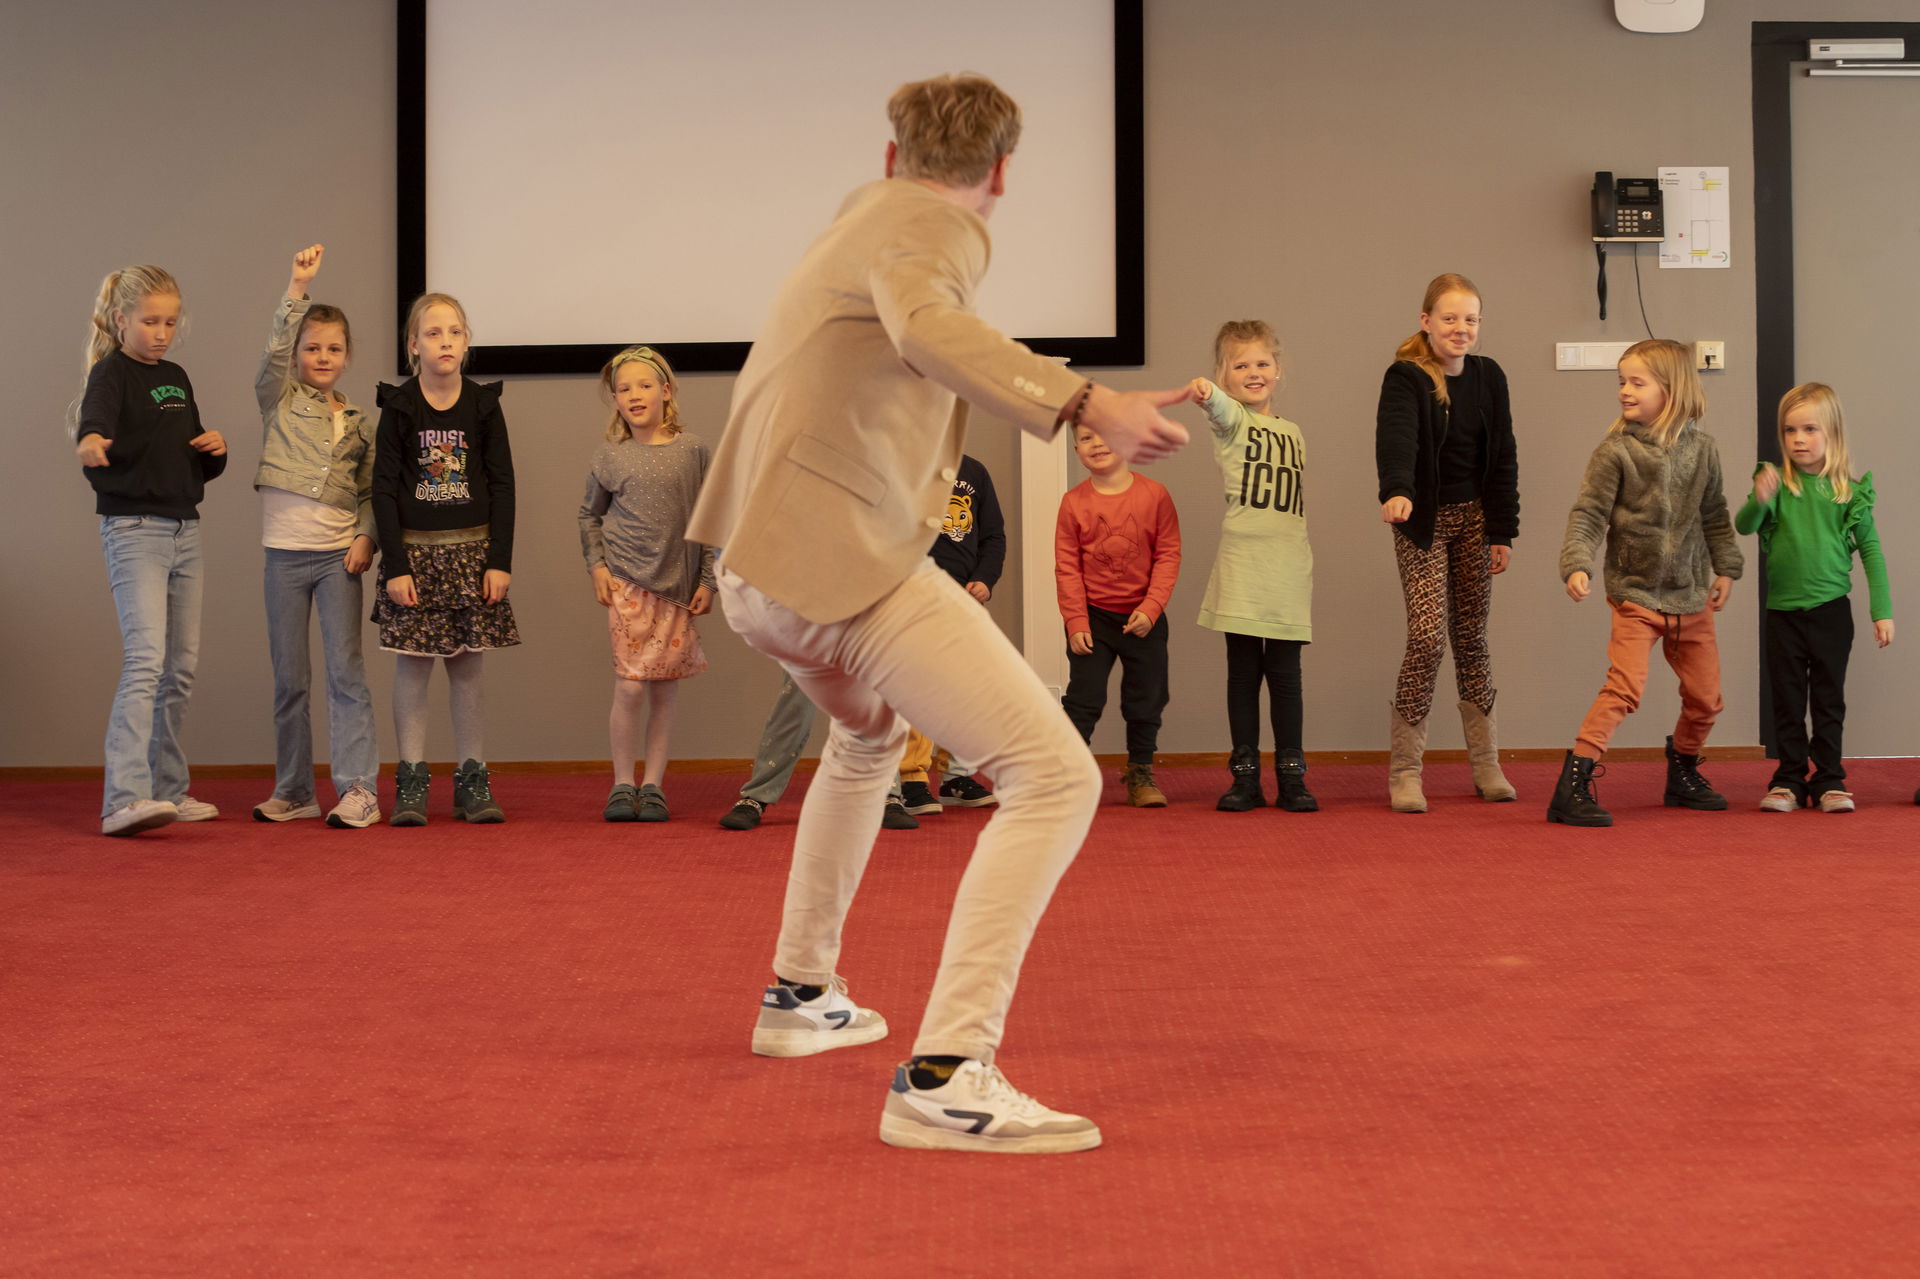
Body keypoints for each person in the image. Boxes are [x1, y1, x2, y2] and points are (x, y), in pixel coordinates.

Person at [687, 73, 1190, 1153]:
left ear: (889, 154)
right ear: (1001, 171)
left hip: (756, 569)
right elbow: (925, 328)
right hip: (838, 566)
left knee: (866, 736)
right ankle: (949, 1071)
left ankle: (800, 995)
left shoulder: (863, 216)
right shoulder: (927, 228)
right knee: (1055, 776)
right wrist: (1089, 401)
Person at [1550, 338, 1743, 826]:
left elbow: (1716, 514)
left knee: (1706, 699)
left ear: (1672, 389)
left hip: (1690, 596)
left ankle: (1682, 769)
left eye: (1637, 382)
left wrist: (1727, 568)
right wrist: (1577, 562)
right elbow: (1589, 513)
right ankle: (1572, 784)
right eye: (1621, 381)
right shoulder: (1615, 450)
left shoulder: (1704, 451)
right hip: (1635, 594)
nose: (1624, 390)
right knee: (1624, 688)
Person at [71, 265, 228, 835]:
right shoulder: (110, 373)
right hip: (135, 528)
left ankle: (166, 790)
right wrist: (90, 440)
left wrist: (215, 450)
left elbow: (188, 456)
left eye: (170, 321)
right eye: (149, 321)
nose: (161, 332)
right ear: (121, 319)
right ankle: (123, 799)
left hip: (185, 527)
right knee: (145, 661)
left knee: (179, 668)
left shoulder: (176, 376)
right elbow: (94, 423)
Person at [370, 293, 520, 825]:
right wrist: (396, 567)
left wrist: (498, 560)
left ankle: (472, 779)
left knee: (467, 668)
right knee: (412, 669)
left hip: (471, 556)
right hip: (416, 559)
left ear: (466, 341)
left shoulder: (483, 405)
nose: (446, 342)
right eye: (433, 333)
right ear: (414, 344)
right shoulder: (400, 406)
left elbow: (502, 485)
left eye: (454, 332)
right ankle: (410, 780)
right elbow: (383, 490)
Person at [1375, 275, 1520, 812]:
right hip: (1423, 520)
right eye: (1451, 318)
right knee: (1428, 637)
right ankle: (1406, 770)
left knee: (1472, 639)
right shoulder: (1407, 376)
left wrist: (1502, 530)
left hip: (1476, 521)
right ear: (1426, 321)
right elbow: (1396, 436)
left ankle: (1486, 765)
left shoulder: (1489, 376)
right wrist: (1396, 490)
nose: (1461, 329)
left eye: (1471, 319)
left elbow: (1503, 454)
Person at [251, 245, 381, 829]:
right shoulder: (277, 399)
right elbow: (272, 356)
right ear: (298, 354)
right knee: (289, 678)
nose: (321, 356)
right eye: (312, 347)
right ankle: (295, 789)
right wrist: (296, 289)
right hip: (284, 558)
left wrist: (366, 539)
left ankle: (359, 789)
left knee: (345, 672)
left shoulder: (358, 422)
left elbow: (369, 492)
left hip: (337, 560)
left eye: (333, 348)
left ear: (347, 356)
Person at [1734, 383, 1892, 813]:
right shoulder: (1776, 485)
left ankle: (1828, 779)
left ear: (1833, 434)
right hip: (1783, 614)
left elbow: (1872, 554)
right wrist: (1759, 498)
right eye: (1790, 430)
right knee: (1786, 699)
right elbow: (1745, 526)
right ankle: (1788, 779)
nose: (1798, 439)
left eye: (1809, 429)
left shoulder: (1848, 492)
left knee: (1827, 699)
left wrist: (1883, 611)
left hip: (1831, 614)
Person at [579, 346, 715, 822]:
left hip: (677, 586)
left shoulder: (694, 451)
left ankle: (653, 784)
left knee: (664, 687)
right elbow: (589, 515)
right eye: (623, 388)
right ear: (614, 399)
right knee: (631, 687)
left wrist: (709, 579)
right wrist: (598, 567)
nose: (634, 395)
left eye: (643, 385)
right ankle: (622, 783)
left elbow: (713, 516)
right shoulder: (611, 455)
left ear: (666, 390)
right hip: (627, 584)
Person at [1189, 321, 1316, 813]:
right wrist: (1207, 394)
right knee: (1242, 674)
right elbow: (1219, 409)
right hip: (1243, 567)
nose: (1253, 372)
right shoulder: (1232, 422)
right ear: (1224, 375)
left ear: (1278, 369)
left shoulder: (1294, 433)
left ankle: (1292, 775)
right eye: (1240, 365)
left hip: (1287, 569)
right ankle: (1245, 776)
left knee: (1285, 675)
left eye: (1262, 363)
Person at [1055, 424, 1181, 806]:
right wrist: (1076, 621)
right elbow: (1067, 567)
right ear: (1077, 449)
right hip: (1093, 618)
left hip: (1144, 618)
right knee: (1084, 699)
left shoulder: (1155, 495)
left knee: (1147, 698)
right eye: (1088, 438)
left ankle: (1140, 771)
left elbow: (1168, 554)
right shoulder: (1073, 502)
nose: (1098, 444)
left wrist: (1151, 607)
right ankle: (1070, 778)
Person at [898, 453, 1005, 815]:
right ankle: (911, 778)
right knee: (918, 688)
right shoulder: (901, 462)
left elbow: (993, 536)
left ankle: (956, 774)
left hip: (963, 595)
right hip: (914, 592)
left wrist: (984, 580)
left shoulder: (974, 471)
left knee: (965, 688)